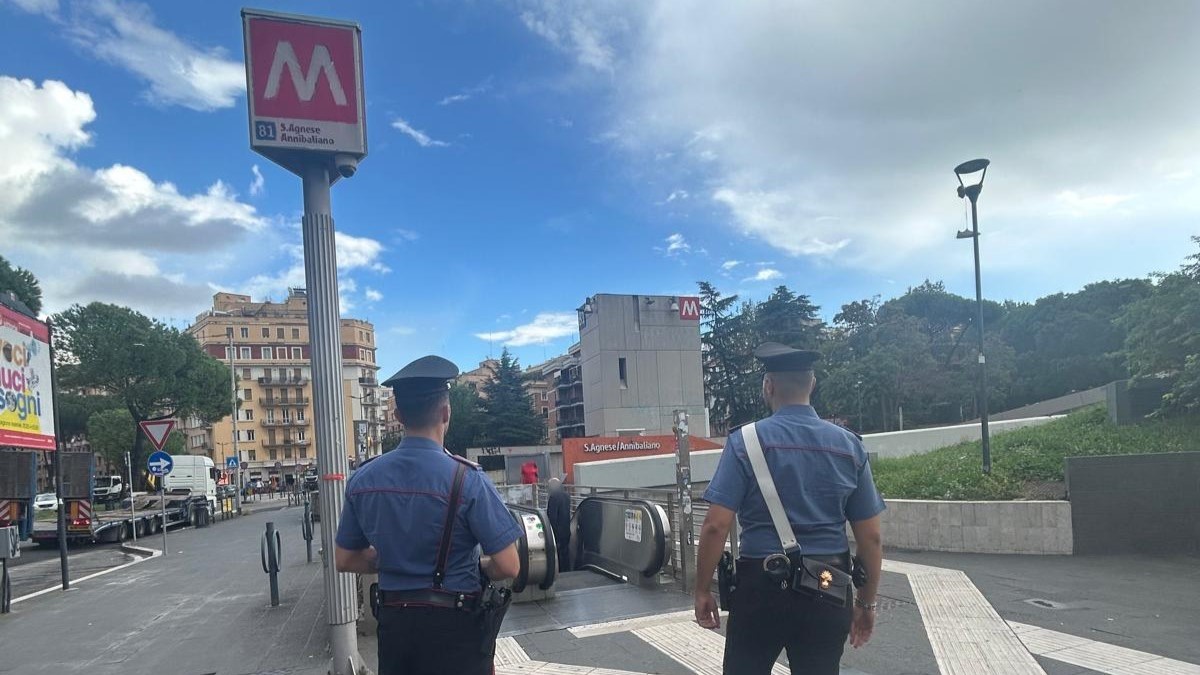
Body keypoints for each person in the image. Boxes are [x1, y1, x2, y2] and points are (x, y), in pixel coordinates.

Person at [693, 343, 886, 675]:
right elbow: (871, 539)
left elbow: (715, 526)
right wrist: (866, 603)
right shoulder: (849, 446)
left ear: (769, 386)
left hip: (760, 588)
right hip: (828, 585)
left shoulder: (745, 442)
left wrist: (701, 590)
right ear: (812, 384)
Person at [335, 355, 524, 675]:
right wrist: (478, 566)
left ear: (397, 415)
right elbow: (509, 565)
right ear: (446, 412)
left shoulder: (363, 480)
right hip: (458, 629)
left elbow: (344, 559)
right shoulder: (468, 479)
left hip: (396, 628)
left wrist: (387, 560)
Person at [546, 477, 572, 572]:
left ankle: (559, 571)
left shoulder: (553, 497)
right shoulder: (566, 495)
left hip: (557, 531)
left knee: (557, 553)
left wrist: (551, 531)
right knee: (565, 552)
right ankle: (567, 571)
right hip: (566, 529)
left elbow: (552, 517)